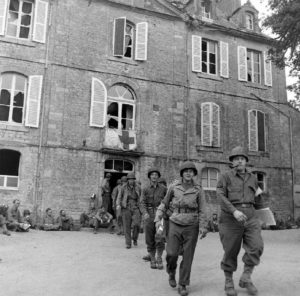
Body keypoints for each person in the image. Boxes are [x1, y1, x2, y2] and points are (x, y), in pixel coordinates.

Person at [216, 146, 265, 296]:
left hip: (250, 216)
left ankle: (246, 277)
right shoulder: (225, 176)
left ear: (246, 162)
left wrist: (263, 217)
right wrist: (234, 211)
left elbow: (258, 198)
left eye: (242, 159)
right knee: (231, 250)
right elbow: (220, 196)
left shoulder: (253, 178)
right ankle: (229, 281)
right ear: (232, 162)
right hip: (230, 218)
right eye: (236, 159)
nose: (239, 161)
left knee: (256, 246)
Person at [154, 161, 208, 296]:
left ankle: (183, 284)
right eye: (186, 171)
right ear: (182, 173)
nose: (189, 173)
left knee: (188, 256)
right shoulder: (173, 187)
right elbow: (164, 203)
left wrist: (203, 226)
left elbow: (202, 209)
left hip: (192, 225)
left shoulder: (198, 189)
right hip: (175, 222)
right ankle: (171, 271)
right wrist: (158, 217)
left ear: (194, 174)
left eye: (191, 171)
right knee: (171, 253)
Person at [140, 167, 167, 269]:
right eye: (152, 175)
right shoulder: (145, 189)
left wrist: (165, 214)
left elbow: (168, 201)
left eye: (156, 175)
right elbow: (142, 202)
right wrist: (145, 213)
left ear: (158, 177)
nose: (154, 176)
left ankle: (159, 258)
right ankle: (152, 258)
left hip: (160, 217)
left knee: (160, 237)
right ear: (149, 177)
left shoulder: (164, 189)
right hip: (149, 216)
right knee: (150, 238)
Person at [116, 172, 141, 249]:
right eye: (130, 179)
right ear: (127, 180)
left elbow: (141, 197)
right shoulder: (123, 187)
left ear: (134, 180)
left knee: (137, 224)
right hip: (126, 207)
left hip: (136, 207)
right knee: (127, 226)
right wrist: (118, 205)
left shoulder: (138, 187)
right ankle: (128, 243)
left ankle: (135, 238)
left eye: (132, 179)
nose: (131, 181)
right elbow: (119, 197)